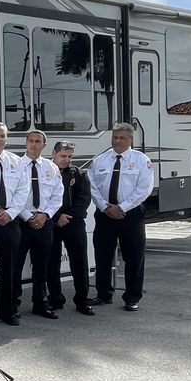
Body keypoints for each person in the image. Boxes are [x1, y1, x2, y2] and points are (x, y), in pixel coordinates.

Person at [88, 123, 154, 311]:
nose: (117, 141)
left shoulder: (142, 160)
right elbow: (92, 185)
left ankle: (132, 297)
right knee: (103, 257)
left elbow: (144, 189)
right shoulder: (100, 160)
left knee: (134, 257)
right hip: (105, 214)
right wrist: (105, 207)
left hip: (130, 214)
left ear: (131, 139)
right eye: (115, 137)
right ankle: (103, 294)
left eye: (121, 138)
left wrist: (121, 207)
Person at [14, 130, 63, 320]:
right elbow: (12, 195)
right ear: (26, 143)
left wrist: (45, 215)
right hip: (21, 221)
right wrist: (28, 217)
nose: (33, 144)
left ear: (44, 145)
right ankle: (13, 304)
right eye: (31, 141)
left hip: (44, 222)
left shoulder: (51, 168)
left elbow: (57, 196)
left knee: (42, 266)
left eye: (38, 141)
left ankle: (40, 303)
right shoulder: (16, 165)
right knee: (16, 266)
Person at [0, 123, 30, 326]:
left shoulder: (16, 161)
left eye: (3, 136)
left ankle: (8, 311)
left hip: (10, 219)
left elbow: (23, 190)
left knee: (10, 267)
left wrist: (10, 213)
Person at [48, 140, 94, 316]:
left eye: (69, 156)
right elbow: (41, 198)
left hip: (74, 223)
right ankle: (55, 299)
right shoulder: (45, 171)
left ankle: (82, 300)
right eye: (63, 156)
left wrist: (68, 216)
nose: (66, 160)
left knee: (80, 263)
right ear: (54, 153)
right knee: (52, 263)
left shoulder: (79, 174)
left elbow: (84, 198)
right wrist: (56, 216)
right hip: (52, 222)